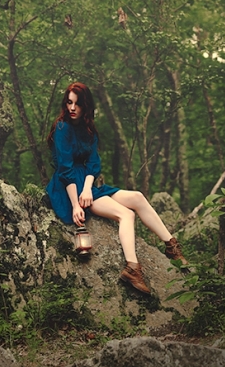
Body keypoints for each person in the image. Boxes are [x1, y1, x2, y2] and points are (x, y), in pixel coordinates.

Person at [45, 82, 188, 294]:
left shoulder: (88, 129)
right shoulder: (62, 127)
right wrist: (76, 204)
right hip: (68, 187)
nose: (72, 108)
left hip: (87, 184)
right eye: (69, 102)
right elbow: (65, 169)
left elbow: (93, 163)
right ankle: (132, 269)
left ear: (86, 106)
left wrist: (88, 188)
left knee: (138, 197)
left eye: (77, 104)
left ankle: (172, 246)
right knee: (126, 214)